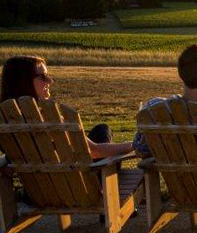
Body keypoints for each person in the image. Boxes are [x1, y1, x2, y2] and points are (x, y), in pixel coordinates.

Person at [1, 55, 133, 159]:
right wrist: (135, 145)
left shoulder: (5, 119)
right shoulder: (48, 118)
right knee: (105, 139)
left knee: (101, 130)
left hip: (36, 187)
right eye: (43, 77)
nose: (50, 81)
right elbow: (95, 151)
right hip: (78, 184)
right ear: (23, 81)